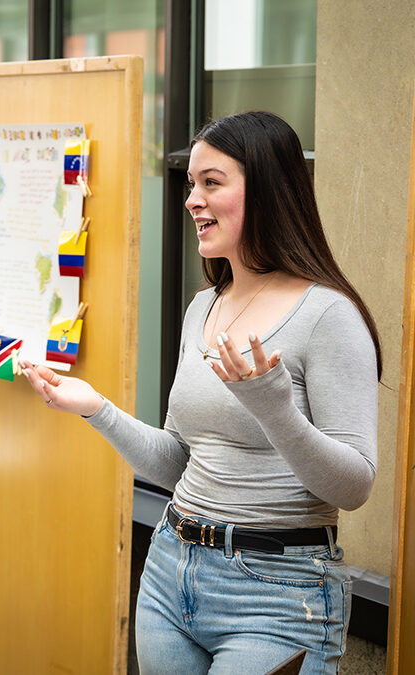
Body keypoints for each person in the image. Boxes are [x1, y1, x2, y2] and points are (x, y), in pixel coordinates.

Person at [22, 111, 380, 674]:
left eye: (212, 182)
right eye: (192, 183)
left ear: (267, 190)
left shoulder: (329, 317)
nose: (192, 199)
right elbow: (180, 463)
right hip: (170, 570)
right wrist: (96, 407)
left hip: (278, 594)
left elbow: (355, 485)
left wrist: (275, 408)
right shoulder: (203, 308)